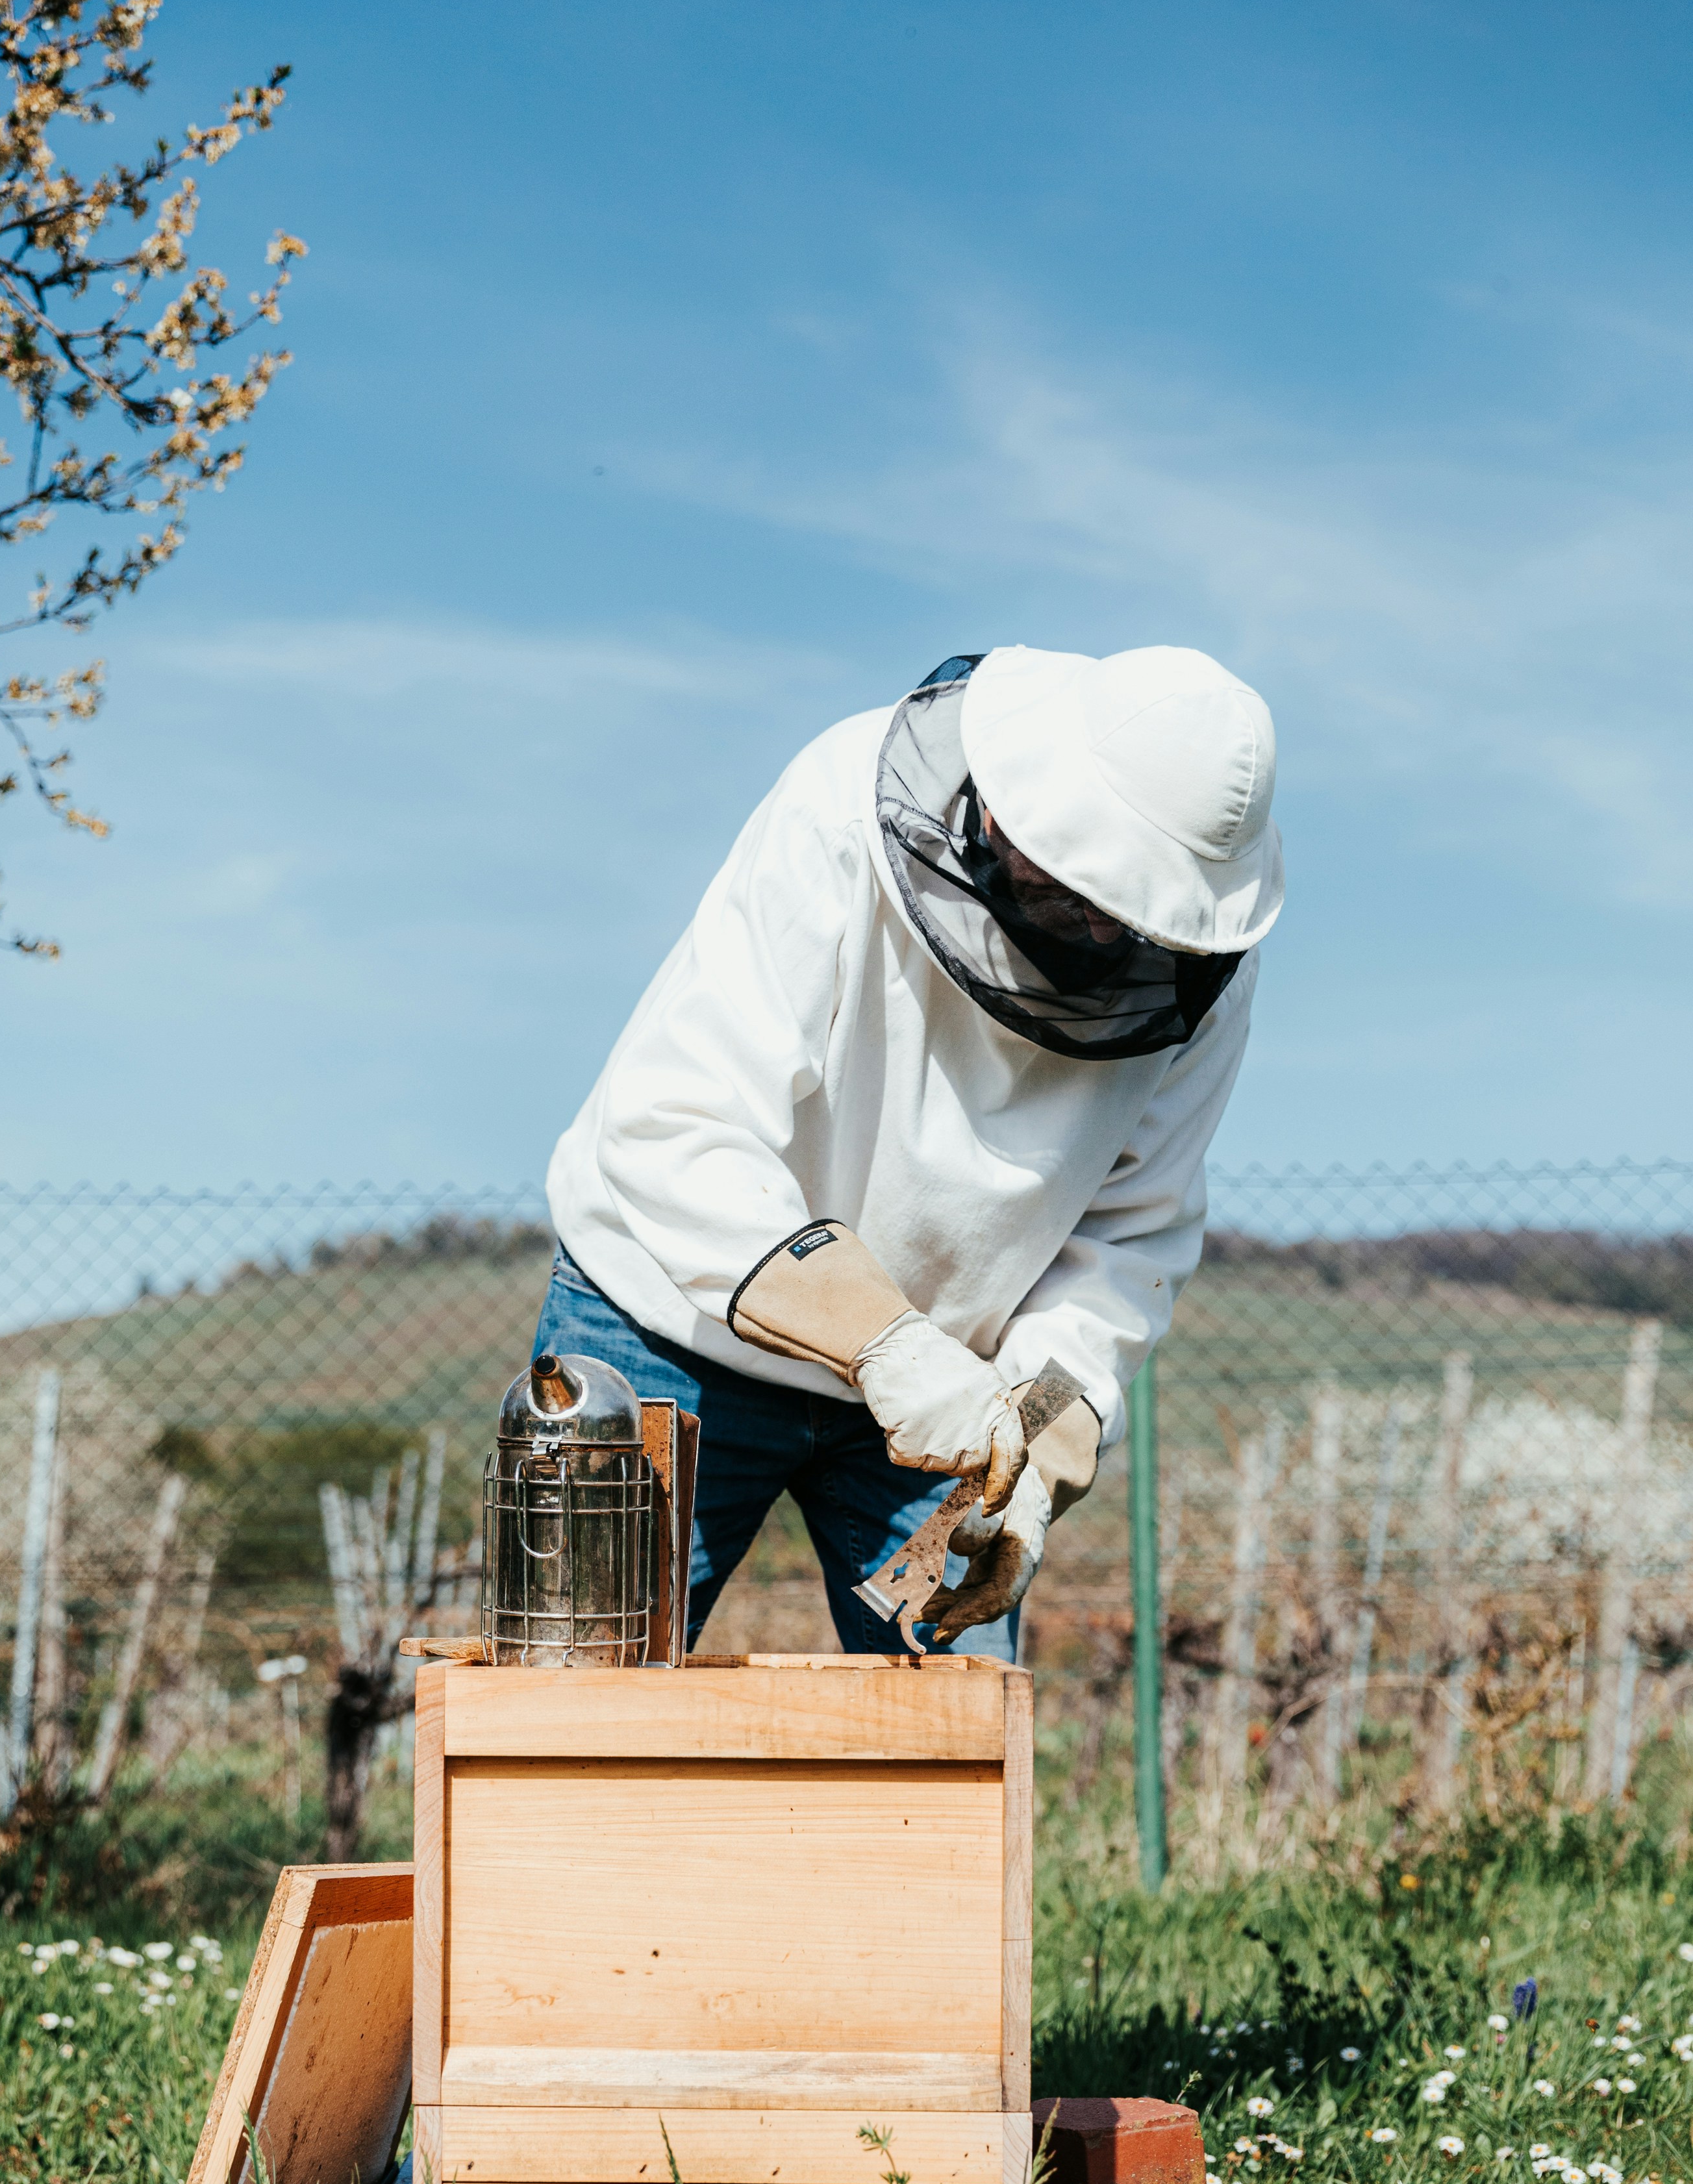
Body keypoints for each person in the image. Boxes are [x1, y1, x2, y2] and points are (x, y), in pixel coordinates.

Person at [536, 644, 1283, 1656]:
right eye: (1079, 895)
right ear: (1009, 806)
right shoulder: (836, 810)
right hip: (672, 1329)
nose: (1100, 937)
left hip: (952, 1400)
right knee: (566, 1719)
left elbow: (1128, 1235)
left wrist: (1042, 1437)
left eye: (1128, 921)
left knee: (958, 1750)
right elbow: (676, 1124)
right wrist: (883, 1343)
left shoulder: (1201, 981)